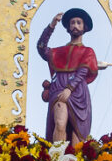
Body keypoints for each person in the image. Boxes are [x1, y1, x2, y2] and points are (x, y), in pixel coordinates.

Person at [37, 9, 107, 145]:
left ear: (84, 27)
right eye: (72, 22)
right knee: (60, 123)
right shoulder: (57, 52)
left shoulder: (88, 51)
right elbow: (41, 47)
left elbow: (82, 72)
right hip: (59, 88)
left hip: (78, 92)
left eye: (78, 22)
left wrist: (69, 89)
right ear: (68, 27)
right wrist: (51, 26)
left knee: (78, 134)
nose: (75, 25)